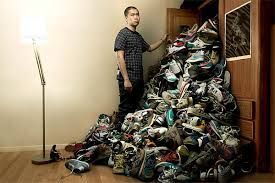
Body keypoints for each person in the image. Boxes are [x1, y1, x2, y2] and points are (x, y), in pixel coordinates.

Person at [113, 6, 167, 130]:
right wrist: (126, 79)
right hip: (128, 78)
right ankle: (116, 135)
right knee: (125, 108)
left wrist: (162, 40)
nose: (136, 17)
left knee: (136, 108)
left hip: (138, 78)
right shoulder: (123, 33)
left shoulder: (137, 36)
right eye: (132, 15)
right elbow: (120, 57)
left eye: (137, 14)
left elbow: (149, 48)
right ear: (126, 18)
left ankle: (130, 136)